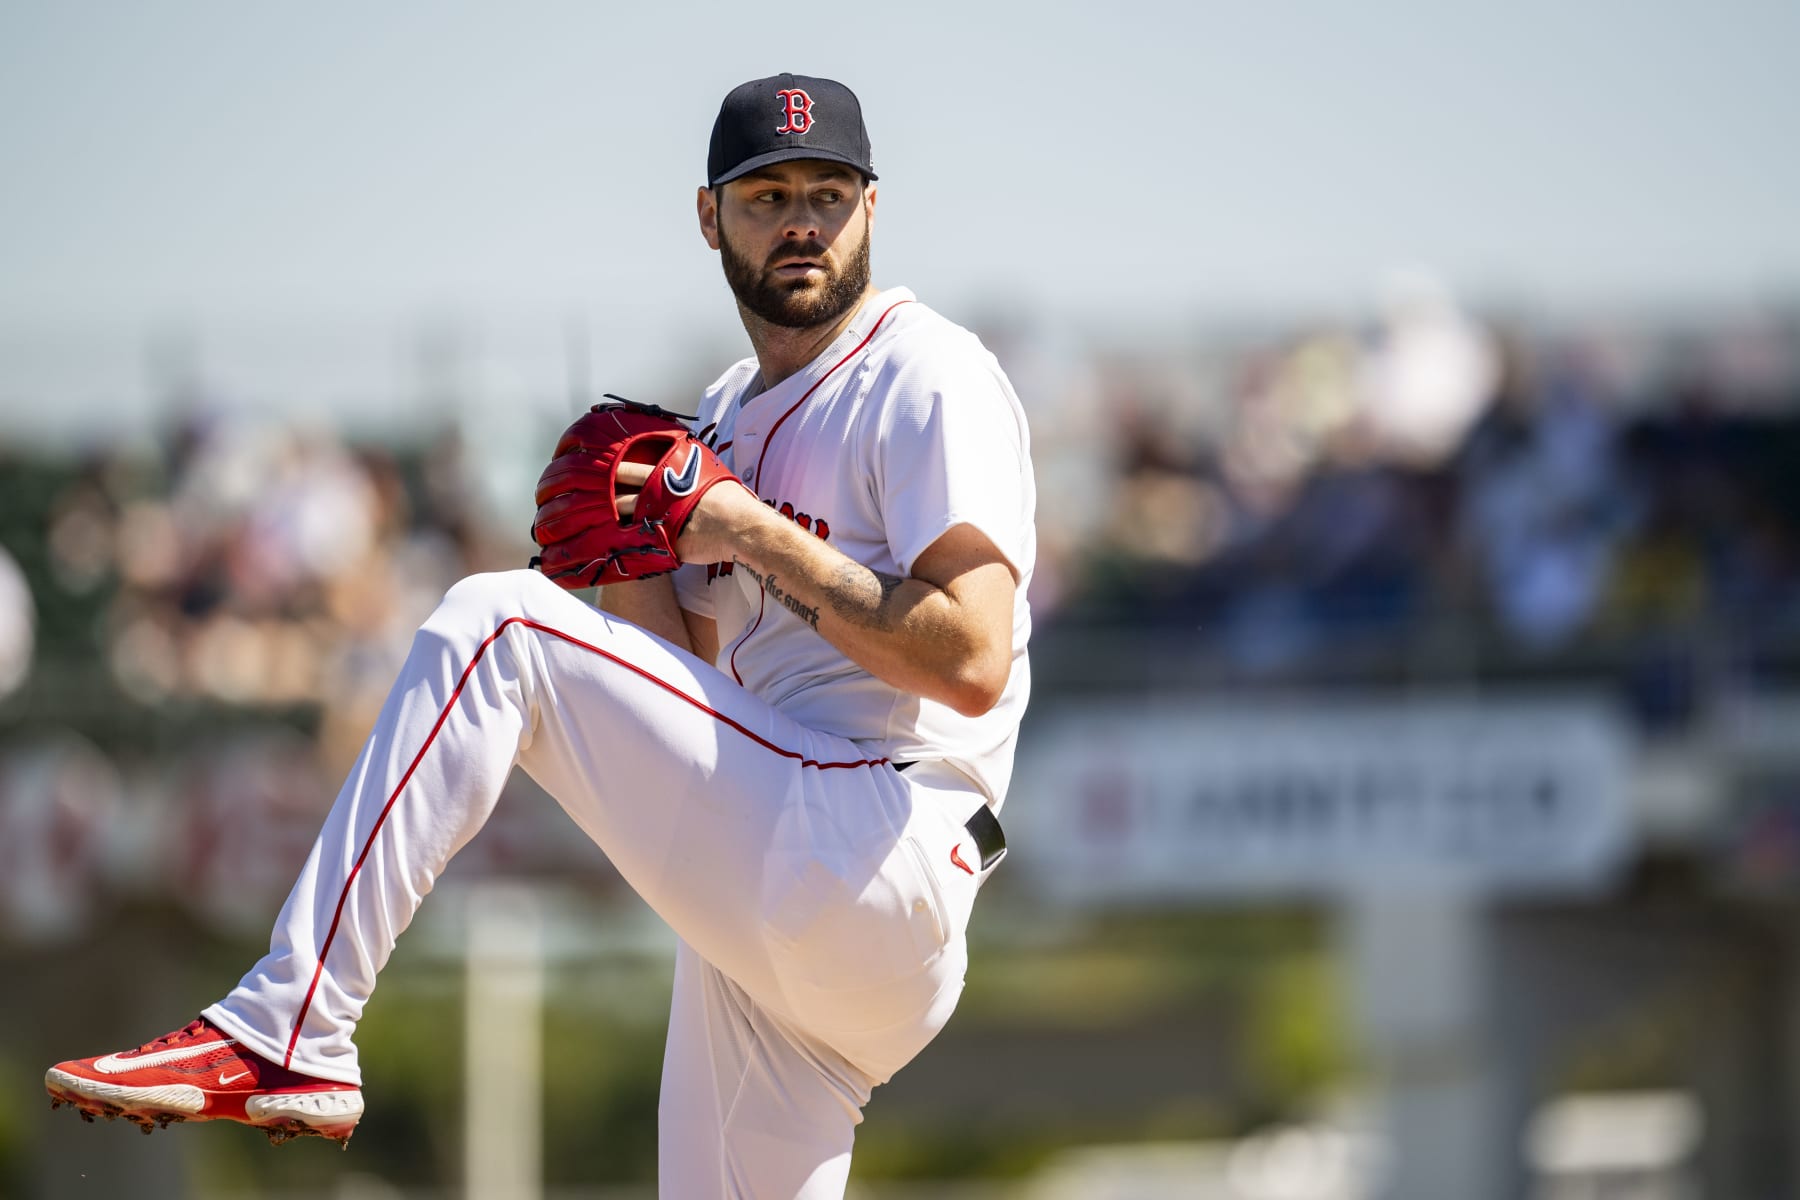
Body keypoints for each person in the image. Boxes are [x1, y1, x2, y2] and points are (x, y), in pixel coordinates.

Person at [45, 72, 1035, 1198]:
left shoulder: (924, 373)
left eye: (829, 191)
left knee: (496, 621)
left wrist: (747, 534)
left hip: (886, 838)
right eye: (766, 197)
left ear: (871, 206)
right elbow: (693, 697)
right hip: (782, 898)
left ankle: (292, 1022)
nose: (801, 219)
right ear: (709, 217)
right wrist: (617, 564)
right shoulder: (716, 416)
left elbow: (971, 659)